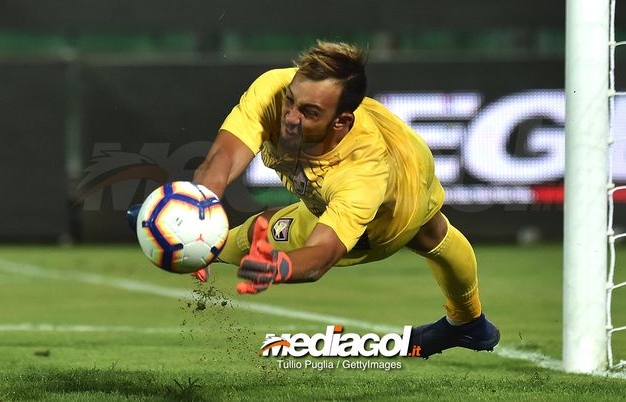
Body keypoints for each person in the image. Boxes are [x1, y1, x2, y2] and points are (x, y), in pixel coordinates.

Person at [133, 41, 499, 358]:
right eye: (291, 102)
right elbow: (222, 159)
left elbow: (322, 254)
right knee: (267, 226)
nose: (290, 118)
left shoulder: (363, 174)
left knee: (427, 232)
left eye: (309, 113)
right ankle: (469, 324)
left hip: (393, 211)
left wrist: (280, 268)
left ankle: (466, 320)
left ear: (340, 122)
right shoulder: (273, 90)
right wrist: (197, 213)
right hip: (369, 163)